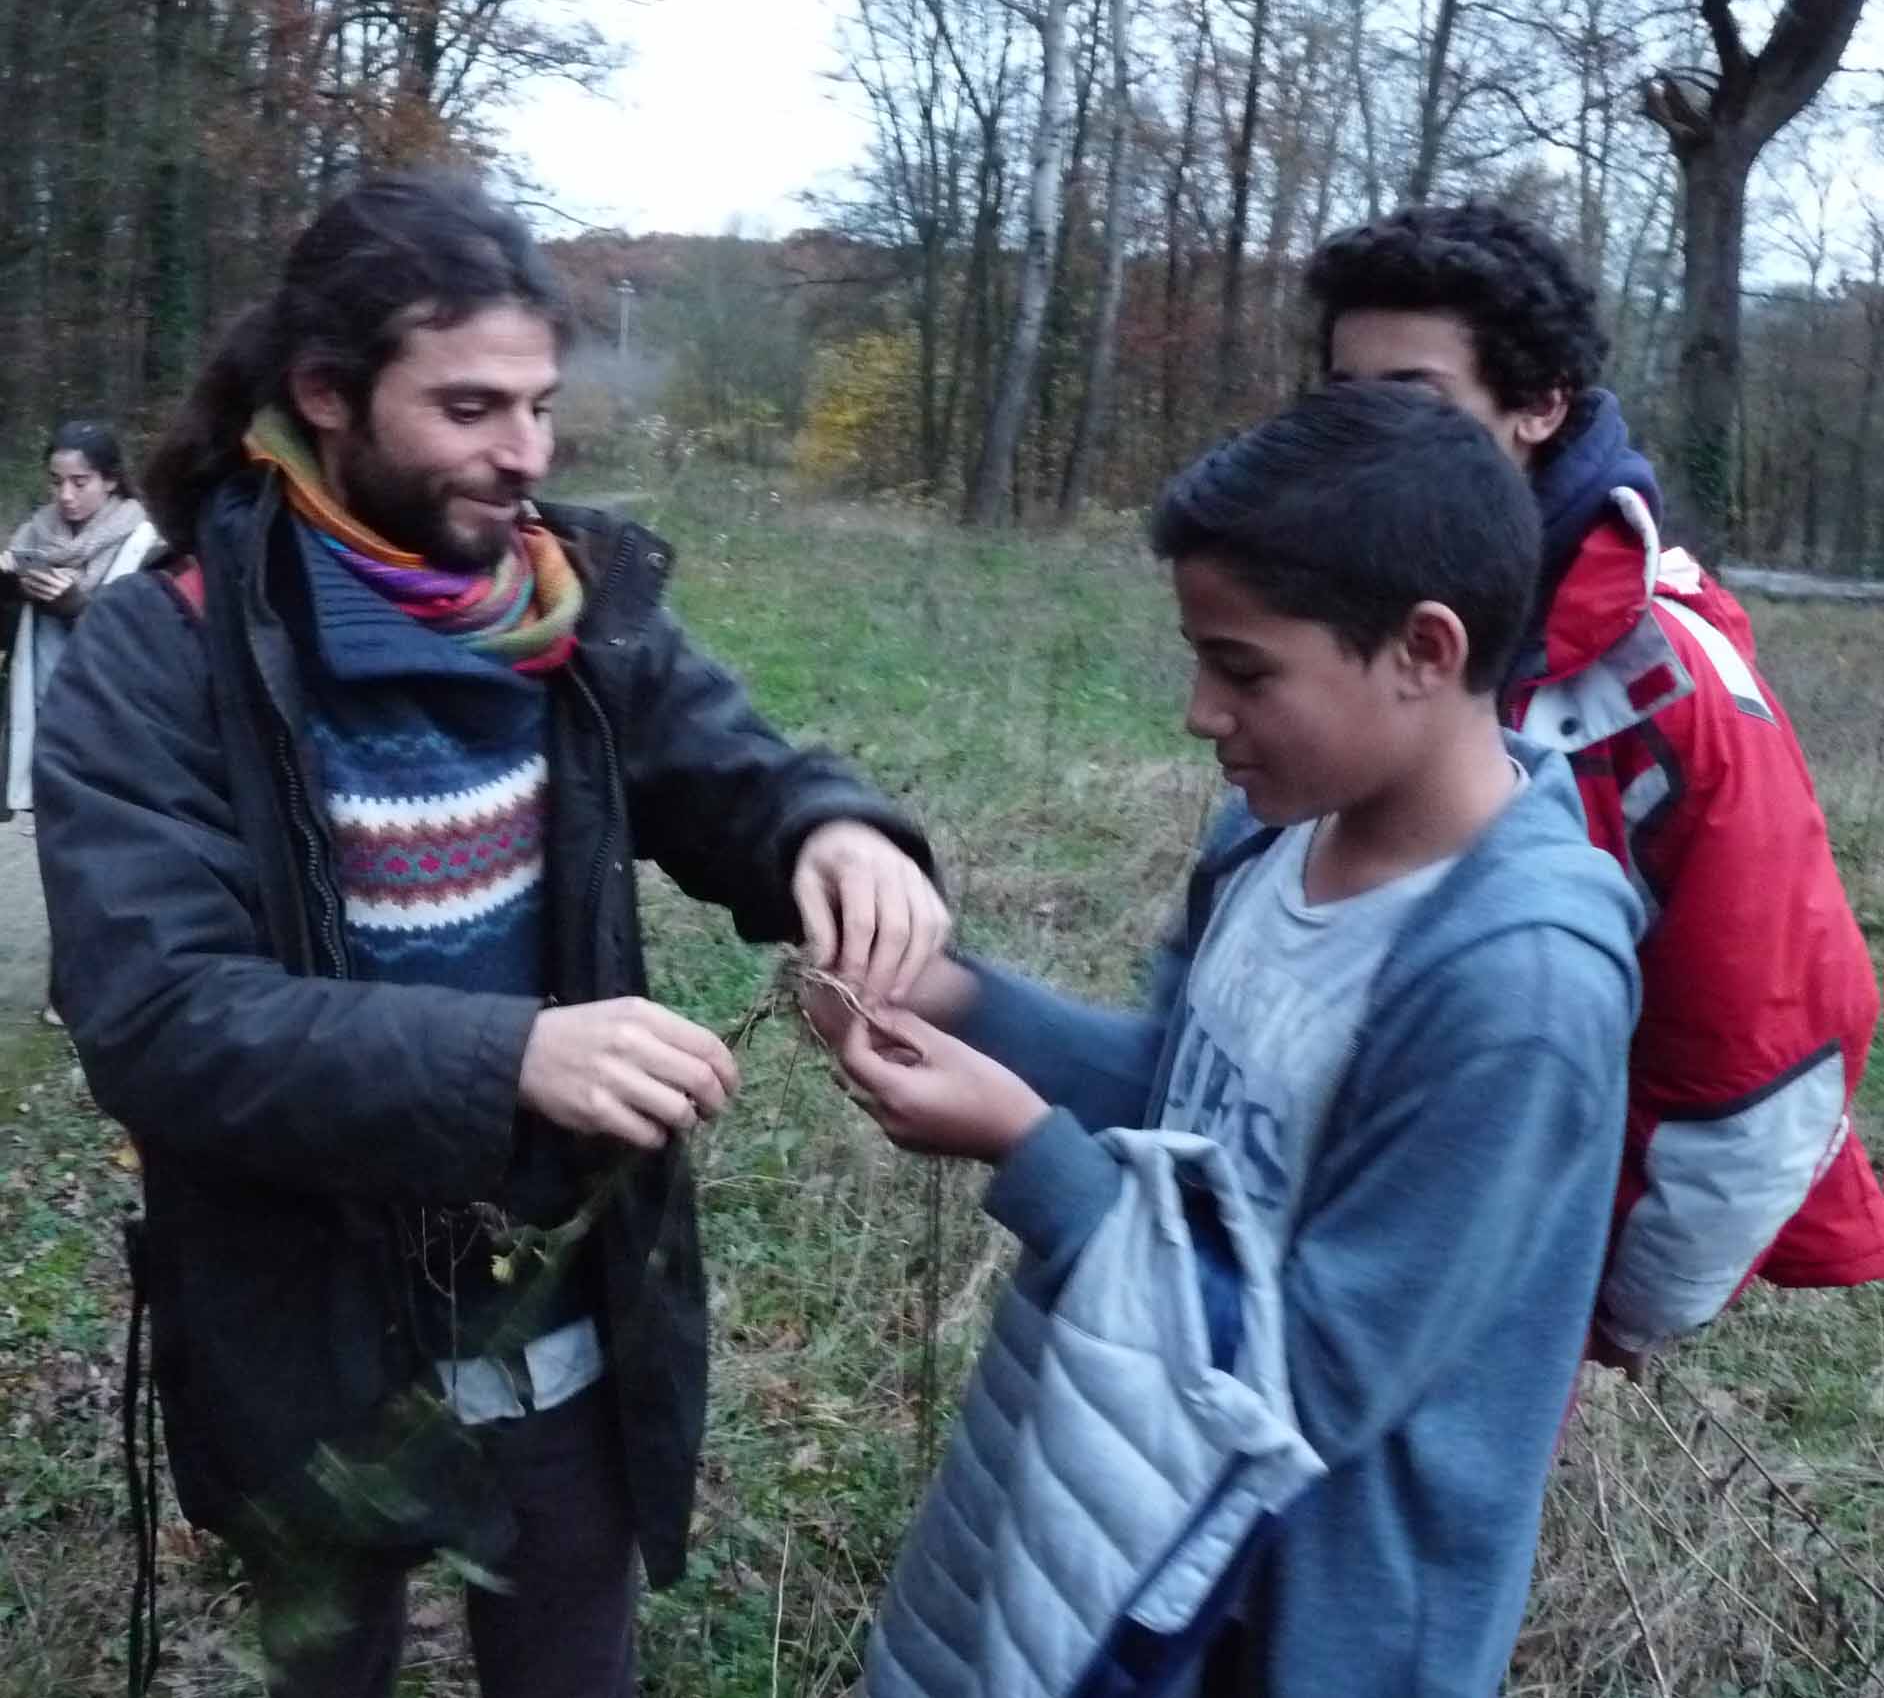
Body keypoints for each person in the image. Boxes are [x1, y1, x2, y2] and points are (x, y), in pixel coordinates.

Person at [31, 173, 949, 1698]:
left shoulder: (561, 607)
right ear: (327, 394)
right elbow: (157, 1014)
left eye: (537, 402)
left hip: (563, 1296)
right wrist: (513, 1055)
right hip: (305, 1313)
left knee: (572, 1658)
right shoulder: (170, 650)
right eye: (469, 408)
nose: (524, 453)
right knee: (332, 1666)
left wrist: (832, 831)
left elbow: (728, 767)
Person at [814, 384, 1642, 1697]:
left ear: (1425, 650)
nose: (1202, 711)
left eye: (1244, 668)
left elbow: (1310, 1380)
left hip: (1314, 1619)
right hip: (1147, 1520)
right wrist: (954, 1000)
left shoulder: (1520, 989)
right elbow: (1176, 1103)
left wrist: (1027, 1151)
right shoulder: (1266, 839)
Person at [1306, 200, 1884, 1374]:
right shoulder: (1336, 598)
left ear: (1540, 406)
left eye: (1412, 397)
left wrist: (1599, 1312)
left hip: (1501, 1276)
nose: (1368, 435)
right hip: (1319, 1211)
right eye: (1343, 397)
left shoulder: (1672, 694)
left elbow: (1764, 1053)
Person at [2, 420, 158, 1025]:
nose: (65, 497)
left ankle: (108, 992)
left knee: (114, 862)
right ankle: (66, 988)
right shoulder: (35, 537)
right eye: (56, 482)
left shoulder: (145, 541)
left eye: (81, 482)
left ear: (112, 482)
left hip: (116, 728)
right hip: (48, 723)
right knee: (62, 862)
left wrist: (80, 607)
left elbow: (148, 642)